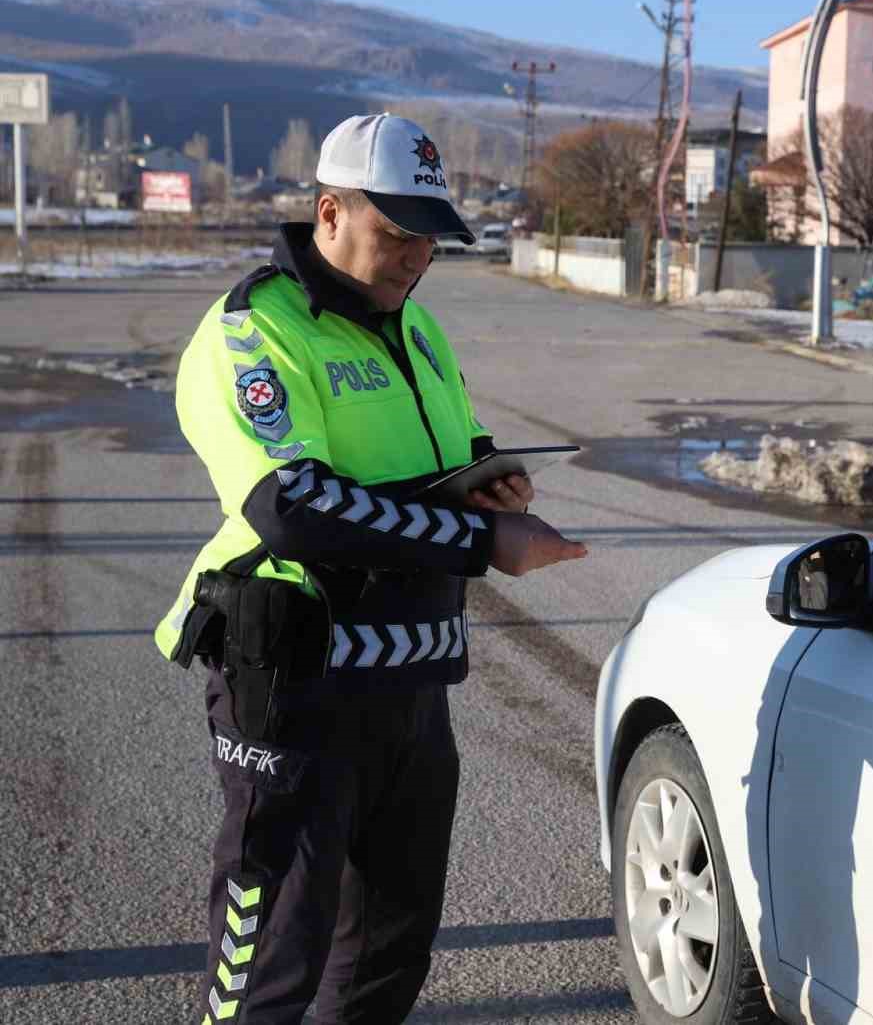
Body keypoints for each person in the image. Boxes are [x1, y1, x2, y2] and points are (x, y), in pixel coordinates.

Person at [152, 112, 587, 1024]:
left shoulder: (417, 327)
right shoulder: (253, 330)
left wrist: (490, 481)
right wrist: (481, 543)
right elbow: (292, 504)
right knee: (271, 959)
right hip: (295, 683)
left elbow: (448, 446)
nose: (415, 260)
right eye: (395, 235)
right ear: (328, 211)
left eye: (429, 240)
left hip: (412, 685)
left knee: (389, 948)